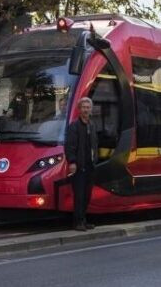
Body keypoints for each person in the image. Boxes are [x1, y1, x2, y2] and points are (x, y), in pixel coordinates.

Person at [65, 97, 98, 231]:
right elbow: (70, 146)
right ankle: (77, 222)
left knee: (87, 195)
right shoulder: (74, 126)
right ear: (79, 110)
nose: (86, 110)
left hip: (90, 166)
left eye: (88, 107)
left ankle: (83, 220)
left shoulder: (92, 125)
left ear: (91, 110)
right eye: (83, 107)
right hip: (79, 166)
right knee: (79, 196)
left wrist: (95, 159)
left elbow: (95, 144)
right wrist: (72, 162)